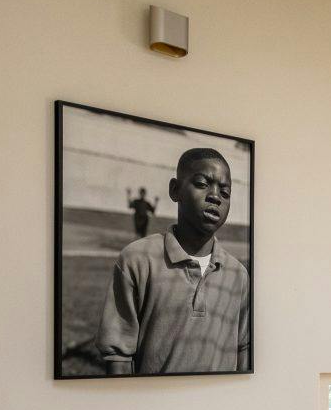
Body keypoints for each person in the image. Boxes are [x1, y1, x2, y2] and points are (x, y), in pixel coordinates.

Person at [97, 147, 250, 375]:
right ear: (175, 190)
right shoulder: (137, 259)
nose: (215, 196)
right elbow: (118, 356)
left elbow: (243, 349)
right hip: (154, 407)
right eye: (201, 183)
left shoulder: (238, 274)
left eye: (225, 192)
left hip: (221, 407)